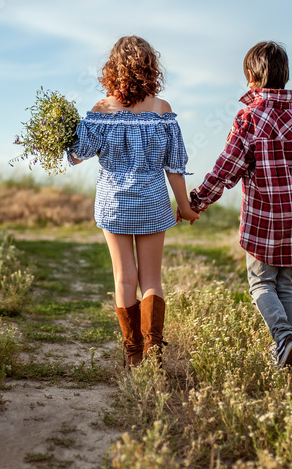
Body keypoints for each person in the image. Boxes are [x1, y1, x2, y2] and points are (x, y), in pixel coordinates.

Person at [67, 35, 198, 366]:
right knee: (151, 279)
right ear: (151, 67)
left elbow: (77, 154)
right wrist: (184, 207)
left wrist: (64, 131)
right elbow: (175, 166)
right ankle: (154, 348)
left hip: (113, 204)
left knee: (124, 278)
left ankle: (133, 354)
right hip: (152, 201)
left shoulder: (101, 111)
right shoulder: (161, 110)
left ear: (112, 68)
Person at [186, 41, 292, 368]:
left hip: (264, 219)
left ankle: (284, 338)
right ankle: (284, 356)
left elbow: (227, 167)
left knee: (261, 283)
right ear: (284, 75)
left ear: (250, 76)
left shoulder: (249, 118)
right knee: (284, 284)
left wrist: (198, 200)